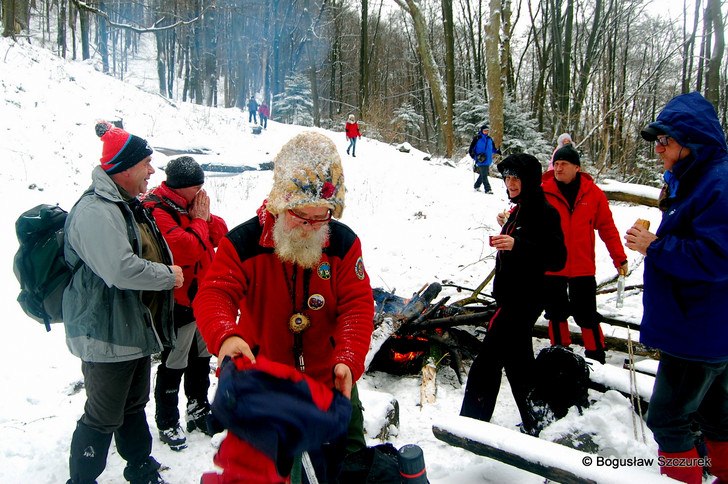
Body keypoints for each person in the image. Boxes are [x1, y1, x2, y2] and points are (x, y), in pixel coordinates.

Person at [193, 131, 374, 482]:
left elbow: (357, 304)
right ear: (279, 202)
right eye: (300, 216)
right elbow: (215, 293)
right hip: (264, 386)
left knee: (347, 466)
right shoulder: (243, 243)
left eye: (320, 217)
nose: (310, 228)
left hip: (331, 383)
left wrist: (348, 359)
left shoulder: (342, 243)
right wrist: (226, 337)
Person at [63, 121, 184, 484]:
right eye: (146, 163)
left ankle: (141, 468)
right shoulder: (95, 211)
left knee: (133, 407)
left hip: (129, 329)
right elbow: (119, 269)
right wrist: (168, 276)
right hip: (105, 335)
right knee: (102, 417)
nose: (152, 170)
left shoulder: (126, 204)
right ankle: (81, 479)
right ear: (125, 168)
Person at [626, 91, 728, 484]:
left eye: (665, 141)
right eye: (657, 142)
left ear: (692, 140)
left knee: (667, 419)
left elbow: (718, 258)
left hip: (699, 328)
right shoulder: (699, 177)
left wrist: (655, 246)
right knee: (717, 417)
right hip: (709, 327)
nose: (658, 151)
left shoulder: (717, 183)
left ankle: (682, 478)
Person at [460, 153, 566, 436]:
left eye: (516, 177)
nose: (510, 183)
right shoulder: (520, 208)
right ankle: (539, 422)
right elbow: (525, 241)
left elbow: (557, 257)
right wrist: (508, 227)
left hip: (524, 300)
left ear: (529, 179)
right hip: (511, 297)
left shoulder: (544, 211)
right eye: (506, 177)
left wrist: (517, 244)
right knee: (519, 365)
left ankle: (470, 424)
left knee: (488, 360)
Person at [142, 156, 228, 451]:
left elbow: (220, 233)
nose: (203, 194)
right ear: (183, 188)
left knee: (201, 357)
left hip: (202, 297)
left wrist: (200, 220)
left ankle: (198, 407)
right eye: (198, 188)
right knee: (174, 361)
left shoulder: (187, 207)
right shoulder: (157, 209)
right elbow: (185, 248)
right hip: (176, 301)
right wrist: (199, 222)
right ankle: (166, 419)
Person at [542, 145, 627, 364]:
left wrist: (619, 258)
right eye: (557, 164)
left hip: (583, 266)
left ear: (577, 167)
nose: (558, 168)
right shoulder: (543, 191)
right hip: (553, 265)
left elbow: (607, 228)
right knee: (556, 313)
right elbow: (522, 216)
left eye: (564, 164)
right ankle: (559, 355)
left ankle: (596, 356)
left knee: (587, 315)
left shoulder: (593, 193)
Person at [468, 124, 501, 194]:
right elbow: (471, 149)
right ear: (481, 131)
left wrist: (497, 151)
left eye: (487, 131)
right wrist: (474, 157)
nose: (486, 132)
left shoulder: (489, 139)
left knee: (483, 174)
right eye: (485, 131)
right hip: (480, 159)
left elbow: (493, 149)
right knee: (484, 175)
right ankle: (488, 189)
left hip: (488, 159)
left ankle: (476, 186)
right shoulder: (477, 138)